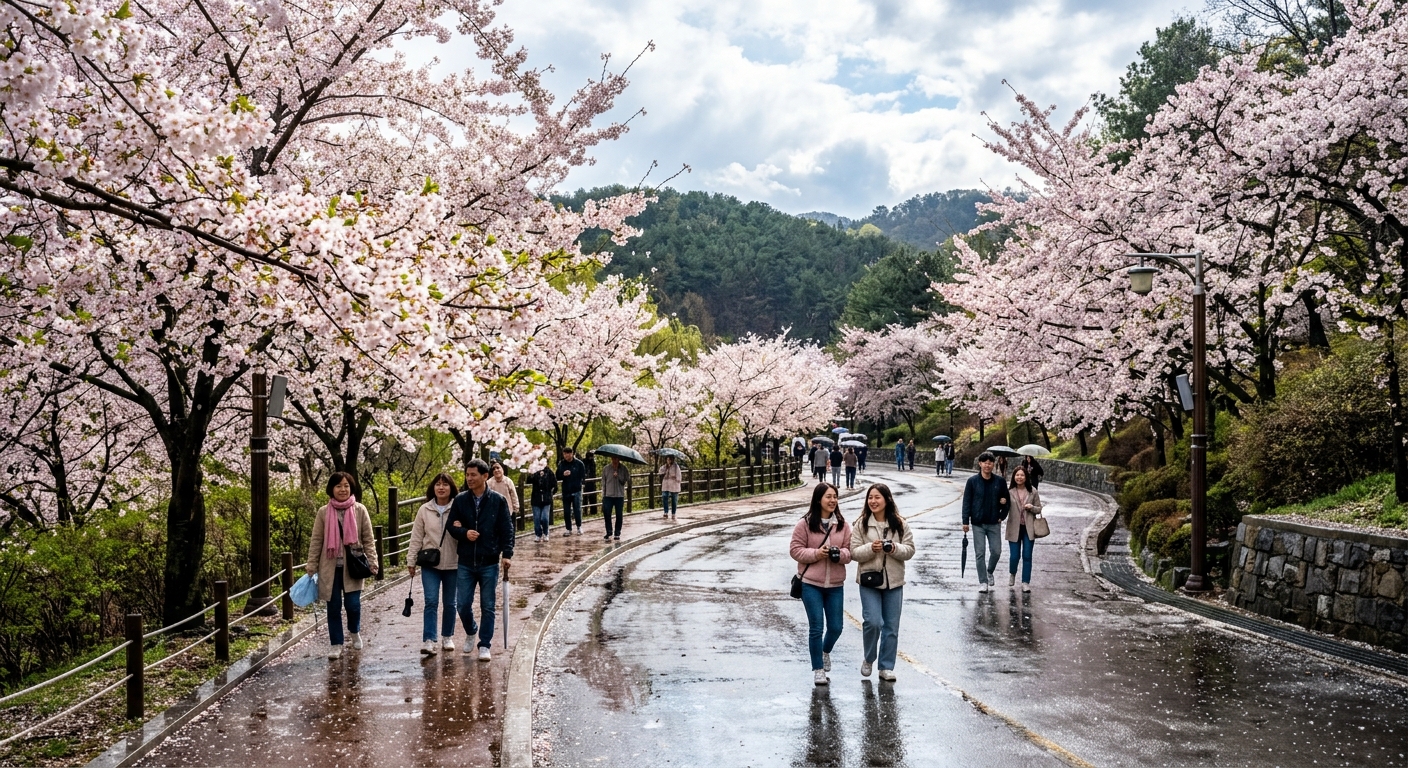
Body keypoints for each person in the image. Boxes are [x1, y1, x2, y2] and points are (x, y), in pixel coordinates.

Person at [447, 458, 514, 661]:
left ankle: (485, 644)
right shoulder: (460, 500)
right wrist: (464, 532)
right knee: (462, 605)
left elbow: (507, 529)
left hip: (489, 560)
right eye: (467, 475)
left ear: (485, 476)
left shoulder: (497, 500)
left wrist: (507, 554)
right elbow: (451, 526)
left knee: (488, 605)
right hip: (466, 560)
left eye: (473, 475)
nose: (469, 478)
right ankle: (471, 630)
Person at [306, 471, 378, 659]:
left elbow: (368, 539)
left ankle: (354, 631)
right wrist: (311, 564)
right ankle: (336, 643)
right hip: (329, 568)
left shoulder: (360, 510)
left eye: (346, 485)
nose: (343, 489)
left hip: (353, 566)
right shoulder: (323, 512)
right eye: (339, 486)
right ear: (332, 489)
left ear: (351, 488)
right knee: (333, 606)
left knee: (353, 605)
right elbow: (316, 540)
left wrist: (373, 561)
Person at [850, 483, 915, 682]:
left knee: (891, 627)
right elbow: (854, 553)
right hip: (869, 580)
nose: (873, 501)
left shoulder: (900, 524)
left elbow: (910, 550)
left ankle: (886, 667)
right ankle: (869, 658)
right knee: (873, 622)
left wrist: (894, 548)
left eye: (877, 497)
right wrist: (872, 548)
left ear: (887, 500)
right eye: (870, 498)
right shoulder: (861, 524)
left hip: (894, 581)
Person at [789, 482, 851, 686]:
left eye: (835, 496)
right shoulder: (805, 524)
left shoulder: (842, 524)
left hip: (835, 584)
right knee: (816, 627)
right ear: (818, 499)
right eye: (828, 496)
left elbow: (849, 552)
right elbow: (795, 550)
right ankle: (818, 669)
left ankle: (825, 651)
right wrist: (817, 553)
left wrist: (838, 554)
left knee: (836, 627)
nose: (833, 500)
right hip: (810, 584)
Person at [407, 472, 459, 655]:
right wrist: (411, 560)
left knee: (450, 603)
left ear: (451, 488)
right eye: (438, 484)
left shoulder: (459, 507)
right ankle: (429, 639)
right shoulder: (424, 510)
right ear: (433, 488)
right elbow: (416, 537)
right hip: (430, 564)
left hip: (454, 563)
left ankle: (447, 636)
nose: (441, 487)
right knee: (431, 601)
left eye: (445, 484)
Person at [962, 452, 1009, 593]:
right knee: (980, 553)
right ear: (980, 464)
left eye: (990, 462)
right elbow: (967, 502)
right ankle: (983, 581)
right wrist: (965, 521)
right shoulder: (972, 481)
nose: (987, 465)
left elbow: (1007, 501)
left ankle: (989, 571)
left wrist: (1002, 515)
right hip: (978, 523)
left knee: (996, 551)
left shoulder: (999, 482)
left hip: (994, 522)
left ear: (993, 464)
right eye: (985, 462)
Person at [1006, 467, 1044, 591]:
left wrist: (1032, 507)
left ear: (1026, 477)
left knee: (1027, 556)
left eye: (1022, 475)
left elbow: (1039, 508)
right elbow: (1003, 507)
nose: (1019, 477)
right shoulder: (1009, 491)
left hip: (1029, 528)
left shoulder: (1033, 491)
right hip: (1013, 527)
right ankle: (1012, 573)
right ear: (1014, 477)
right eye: (1017, 475)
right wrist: (1001, 502)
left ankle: (1025, 582)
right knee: (1014, 556)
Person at [557, 447, 586, 536]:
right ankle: (568, 528)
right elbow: (557, 475)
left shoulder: (579, 463)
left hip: (576, 489)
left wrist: (582, 485)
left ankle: (579, 527)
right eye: (564, 454)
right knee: (566, 511)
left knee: (577, 509)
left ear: (571, 454)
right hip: (566, 490)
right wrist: (563, 474)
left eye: (567, 453)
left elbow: (583, 475)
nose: (566, 455)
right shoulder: (561, 464)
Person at [601, 454, 629, 541]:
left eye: (616, 458)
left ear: (619, 459)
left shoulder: (624, 469)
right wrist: (603, 495)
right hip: (608, 495)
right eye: (613, 458)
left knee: (619, 515)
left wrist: (618, 476)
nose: (614, 460)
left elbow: (626, 480)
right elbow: (603, 482)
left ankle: (617, 533)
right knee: (607, 514)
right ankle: (609, 532)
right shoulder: (606, 469)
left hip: (619, 495)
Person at [527, 463, 557, 542]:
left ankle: (546, 533)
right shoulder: (534, 471)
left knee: (545, 518)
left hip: (546, 499)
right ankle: (538, 534)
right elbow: (528, 481)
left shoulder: (549, 472)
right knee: (537, 518)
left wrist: (550, 494)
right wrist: (530, 473)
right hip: (536, 499)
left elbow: (555, 484)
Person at [487, 460, 519, 525]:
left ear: (502, 469)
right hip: (494, 514)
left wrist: (516, 508)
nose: (496, 470)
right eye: (494, 469)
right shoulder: (489, 483)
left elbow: (513, 495)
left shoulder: (508, 481)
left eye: (498, 468)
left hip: (508, 511)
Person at [659, 455, 682, 519]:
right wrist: (665, 469)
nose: (668, 461)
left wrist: (677, 480)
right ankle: (666, 512)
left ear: (672, 460)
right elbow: (660, 471)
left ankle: (673, 513)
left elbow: (679, 475)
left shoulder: (676, 466)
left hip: (674, 484)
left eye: (669, 459)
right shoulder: (665, 466)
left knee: (674, 499)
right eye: (667, 459)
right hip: (666, 483)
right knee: (664, 496)